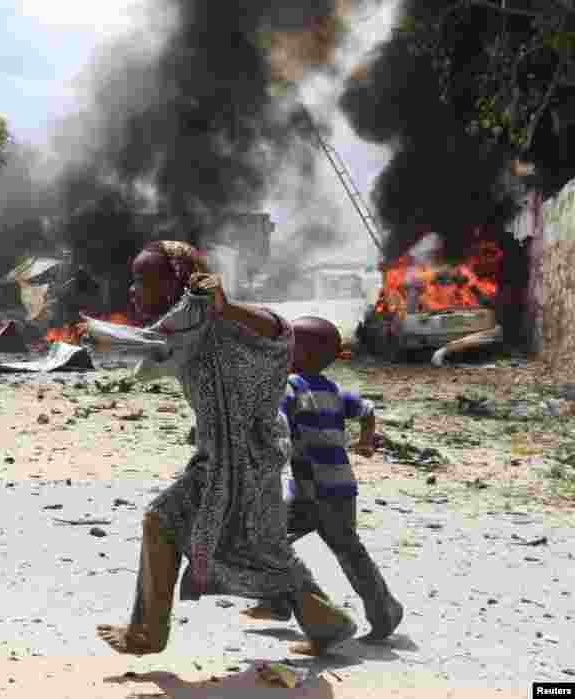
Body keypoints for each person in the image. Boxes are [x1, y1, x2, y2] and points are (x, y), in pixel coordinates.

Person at [94, 241, 357, 657]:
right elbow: (152, 351)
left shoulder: (230, 323)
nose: (133, 290)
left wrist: (226, 306)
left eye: (143, 280)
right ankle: (328, 622)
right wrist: (104, 337)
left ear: (177, 283)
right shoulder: (187, 332)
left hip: (248, 458)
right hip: (224, 457)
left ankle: (147, 633)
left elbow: (279, 331)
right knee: (258, 549)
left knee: (170, 523)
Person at [239, 316, 404, 642]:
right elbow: (367, 409)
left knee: (283, 543)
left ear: (301, 353)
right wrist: (366, 441)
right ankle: (277, 602)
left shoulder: (291, 386)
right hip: (324, 488)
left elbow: (277, 416)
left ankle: (385, 610)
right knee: (291, 543)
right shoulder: (334, 390)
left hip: (321, 490)